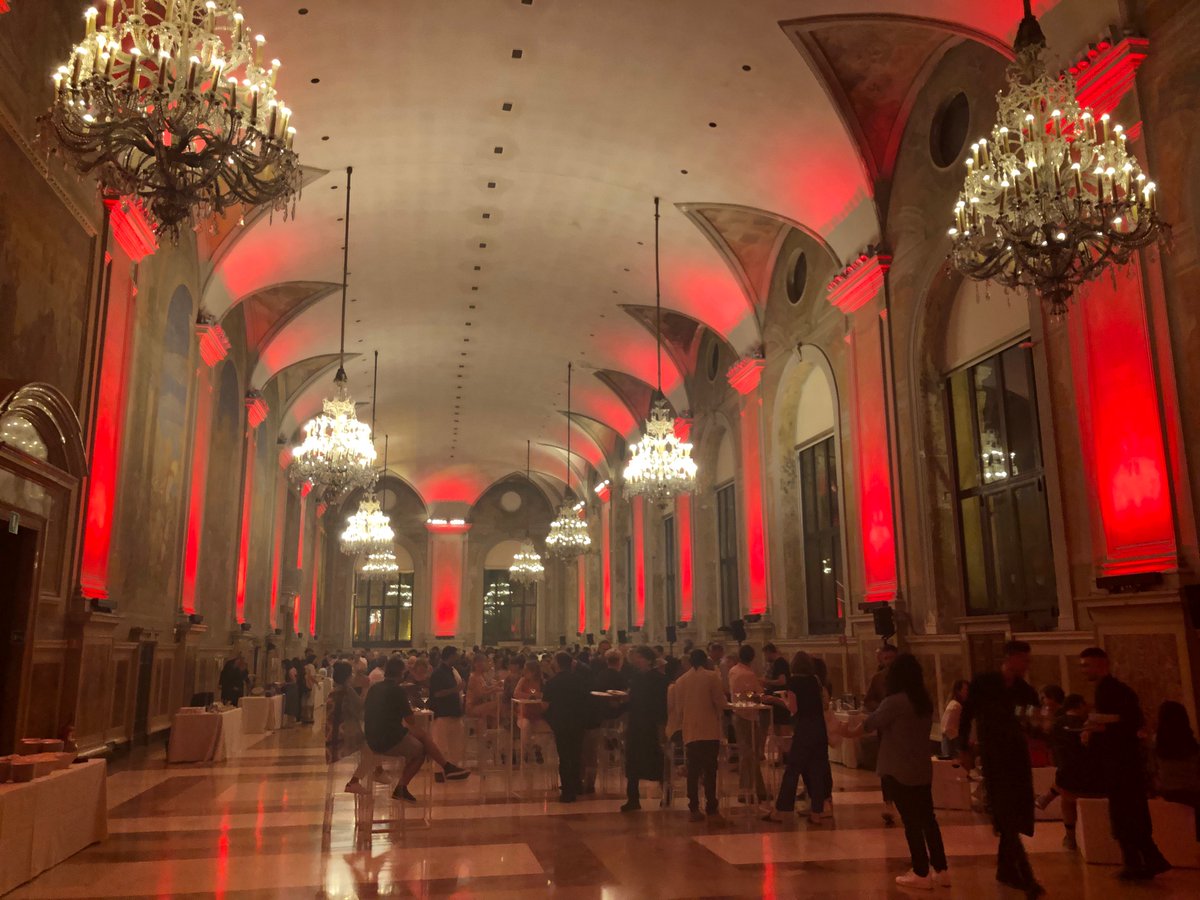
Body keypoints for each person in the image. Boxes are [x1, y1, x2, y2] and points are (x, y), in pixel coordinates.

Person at [856, 653, 947, 889]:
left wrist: (845, 731)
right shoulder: (923, 701)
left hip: (898, 768)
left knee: (911, 823)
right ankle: (941, 868)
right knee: (928, 820)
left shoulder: (895, 701)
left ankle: (920, 871)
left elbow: (870, 723)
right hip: (921, 767)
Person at [1080, 647, 1171, 880]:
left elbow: (1128, 723)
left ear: (1102, 664)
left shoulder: (1112, 691)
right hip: (1122, 764)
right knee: (1129, 812)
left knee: (1125, 813)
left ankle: (1140, 861)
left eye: (1087, 665)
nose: (1083, 670)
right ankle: (1145, 860)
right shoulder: (1112, 690)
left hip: (1120, 764)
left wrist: (1100, 728)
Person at [967, 671, 1042, 897]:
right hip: (1001, 769)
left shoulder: (1020, 697)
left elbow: (1031, 721)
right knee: (1009, 822)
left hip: (1010, 768)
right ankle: (1026, 877)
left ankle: (1006, 869)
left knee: (1008, 821)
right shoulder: (993, 715)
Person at [356, 656, 469, 800]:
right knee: (420, 751)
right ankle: (403, 786)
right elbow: (410, 720)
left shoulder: (375, 688)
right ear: (401, 673)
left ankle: (446, 767)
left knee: (422, 736)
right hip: (387, 738)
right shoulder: (398, 690)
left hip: (372, 733)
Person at [762, 651, 833, 826]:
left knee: (793, 770)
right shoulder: (815, 680)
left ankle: (781, 810)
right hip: (819, 729)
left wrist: (780, 700)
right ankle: (817, 812)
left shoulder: (793, 682)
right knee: (816, 771)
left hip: (804, 729)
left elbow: (793, 709)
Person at [1036, 693, 1103, 850]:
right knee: (1067, 781)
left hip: (1066, 774)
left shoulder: (1057, 724)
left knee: (1065, 789)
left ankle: (1070, 836)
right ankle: (1047, 797)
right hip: (1090, 777)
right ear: (1079, 705)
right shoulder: (1085, 724)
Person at [670, 648, 728, 824]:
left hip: (691, 730)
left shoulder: (681, 681)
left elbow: (679, 709)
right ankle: (712, 807)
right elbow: (720, 701)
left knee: (693, 770)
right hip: (709, 729)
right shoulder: (712, 677)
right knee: (710, 770)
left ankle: (693, 806)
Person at [620, 646, 668, 811]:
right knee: (632, 760)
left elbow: (662, 704)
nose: (635, 660)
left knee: (657, 759)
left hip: (651, 724)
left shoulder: (659, 679)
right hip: (636, 723)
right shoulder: (636, 677)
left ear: (648, 659)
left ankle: (666, 794)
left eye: (639, 657)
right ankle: (633, 798)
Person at [543, 651, 590, 803]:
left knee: (564, 756)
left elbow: (545, 705)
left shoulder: (552, 682)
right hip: (578, 720)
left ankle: (568, 791)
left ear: (557, 664)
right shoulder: (580, 680)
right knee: (576, 753)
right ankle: (577, 784)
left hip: (561, 721)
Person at [728, 644, 769, 803]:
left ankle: (760, 789)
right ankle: (746, 790)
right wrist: (760, 695)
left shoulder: (733, 671)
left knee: (749, 754)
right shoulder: (748, 674)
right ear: (752, 657)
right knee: (749, 755)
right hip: (748, 716)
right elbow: (754, 694)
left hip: (737, 714)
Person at [1154, 700, 1200, 807]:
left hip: (1169, 800)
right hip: (1195, 799)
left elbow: (1156, 777)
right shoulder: (1193, 748)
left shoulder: (1157, 748)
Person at [429, 646, 466, 779]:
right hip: (443, 713)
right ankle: (438, 771)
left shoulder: (452, 671)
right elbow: (437, 693)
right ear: (450, 656)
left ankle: (453, 769)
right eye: (456, 655)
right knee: (441, 744)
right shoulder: (438, 673)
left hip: (454, 712)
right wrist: (456, 689)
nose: (458, 657)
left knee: (455, 744)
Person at [325, 661, 364, 766]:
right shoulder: (346, 692)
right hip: (345, 733)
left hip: (334, 731)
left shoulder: (334, 691)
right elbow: (360, 707)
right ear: (347, 676)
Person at [863, 643, 898, 712]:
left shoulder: (907, 676)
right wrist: (882, 707)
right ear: (882, 661)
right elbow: (868, 701)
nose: (889, 661)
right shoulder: (877, 678)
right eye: (886, 658)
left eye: (892, 657)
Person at [939, 680, 969, 759]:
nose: (967, 692)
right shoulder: (955, 706)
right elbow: (947, 727)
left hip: (951, 741)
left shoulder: (955, 705)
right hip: (952, 743)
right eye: (965, 689)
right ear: (958, 691)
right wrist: (957, 743)